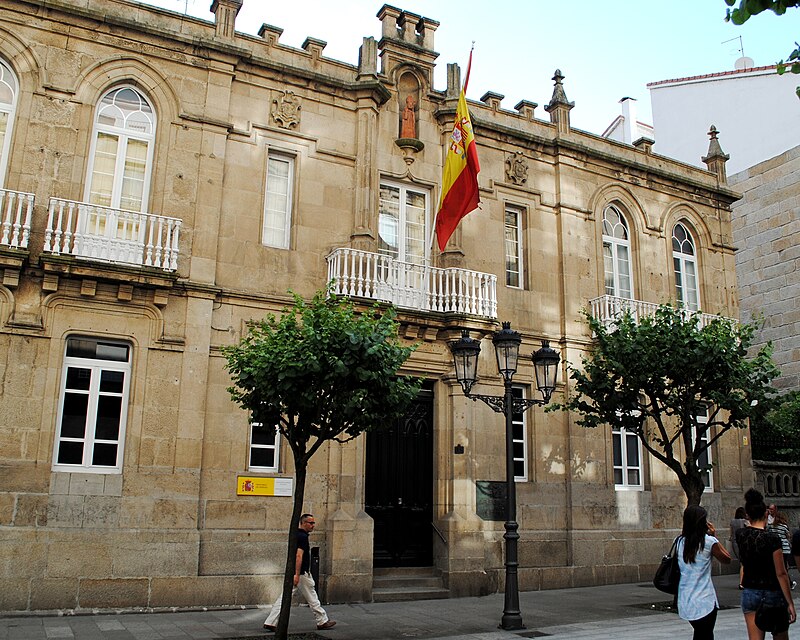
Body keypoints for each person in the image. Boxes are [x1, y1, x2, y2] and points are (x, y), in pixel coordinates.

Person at [736, 489, 796, 640]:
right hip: (772, 591)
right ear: (766, 514)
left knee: (755, 638)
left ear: (748, 515)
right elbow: (781, 573)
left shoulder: (741, 535)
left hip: (750, 590)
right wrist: (790, 602)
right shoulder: (772, 539)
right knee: (780, 635)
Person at [263, 514, 336, 632]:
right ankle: (322, 621)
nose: (313, 525)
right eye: (310, 523)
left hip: (299, 573)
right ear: (303, 523)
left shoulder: (297, 534)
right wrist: (297, 574)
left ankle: (270, 621)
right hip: (301, 574)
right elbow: (298, 556)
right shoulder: (302, 537)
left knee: (285, 597)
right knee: (312, 597)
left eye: (313, 523)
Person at [676, 505, 732, 639]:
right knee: (706, 635)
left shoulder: (679, 542)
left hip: (686, 599)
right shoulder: (708, 542)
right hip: (704, 600)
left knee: (700, 634)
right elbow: (727, 559)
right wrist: (714, 537)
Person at [773, 511, 797, 590]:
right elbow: (788, 536)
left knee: (775, 567)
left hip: (775, 549)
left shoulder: (772, 526)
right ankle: (789, 583)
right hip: (785, 549)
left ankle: (778, 583)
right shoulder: (784, 526)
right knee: (784, 567)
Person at [731, 506, 749, 589]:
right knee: (744, 563)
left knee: (742, 562)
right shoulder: (745, 521)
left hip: (735, 543)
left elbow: (731, 533)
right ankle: (742, 582)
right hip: (743, 543)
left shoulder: (733, 522)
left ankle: (744, 581)